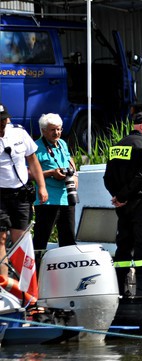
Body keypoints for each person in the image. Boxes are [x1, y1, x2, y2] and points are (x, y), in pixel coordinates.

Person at [103, 112, 142, 298]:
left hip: (124, 206)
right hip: (141, 203)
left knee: (124, 244)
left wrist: (118, 197)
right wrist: (125, 195)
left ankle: (120, 288)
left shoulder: (117, 146)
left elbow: (108, 177)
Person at [0, 103, 47, 278]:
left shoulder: (19, 133)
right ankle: (4, 287)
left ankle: (28, 291)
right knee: (1, 239)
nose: (2, 125)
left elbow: (33, 160)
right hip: (0, 196)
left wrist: (42, 186)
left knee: (21, 240)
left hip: (20, 194)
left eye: (3, 120)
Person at [32, 113, 77, 250]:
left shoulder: (62, 143)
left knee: (69, 238)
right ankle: (37, 269)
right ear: (43, 130)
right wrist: (51, 173)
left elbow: (70, 160)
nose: (57, 132)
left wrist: (74, 175)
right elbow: (28, 173)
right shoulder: (35, 147)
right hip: (47, 200)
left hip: (66, 197)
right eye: (53, 129)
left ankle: (67, 269)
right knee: (41, 238)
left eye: (59, 129)